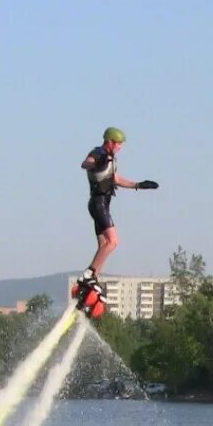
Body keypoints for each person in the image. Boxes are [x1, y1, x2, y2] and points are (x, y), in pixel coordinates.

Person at [75, 126, 159, 297]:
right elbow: (86, 163)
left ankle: (91, 282)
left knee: (103, 246)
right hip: (99, 205)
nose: (121, 147)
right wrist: (97, 162)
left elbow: (116, 179)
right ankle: (89, 275)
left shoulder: (111, 159)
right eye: (119, 144)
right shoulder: (99, 152)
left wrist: (139, 185)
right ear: (110, 142)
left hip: (101, 205)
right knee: (113, 242)